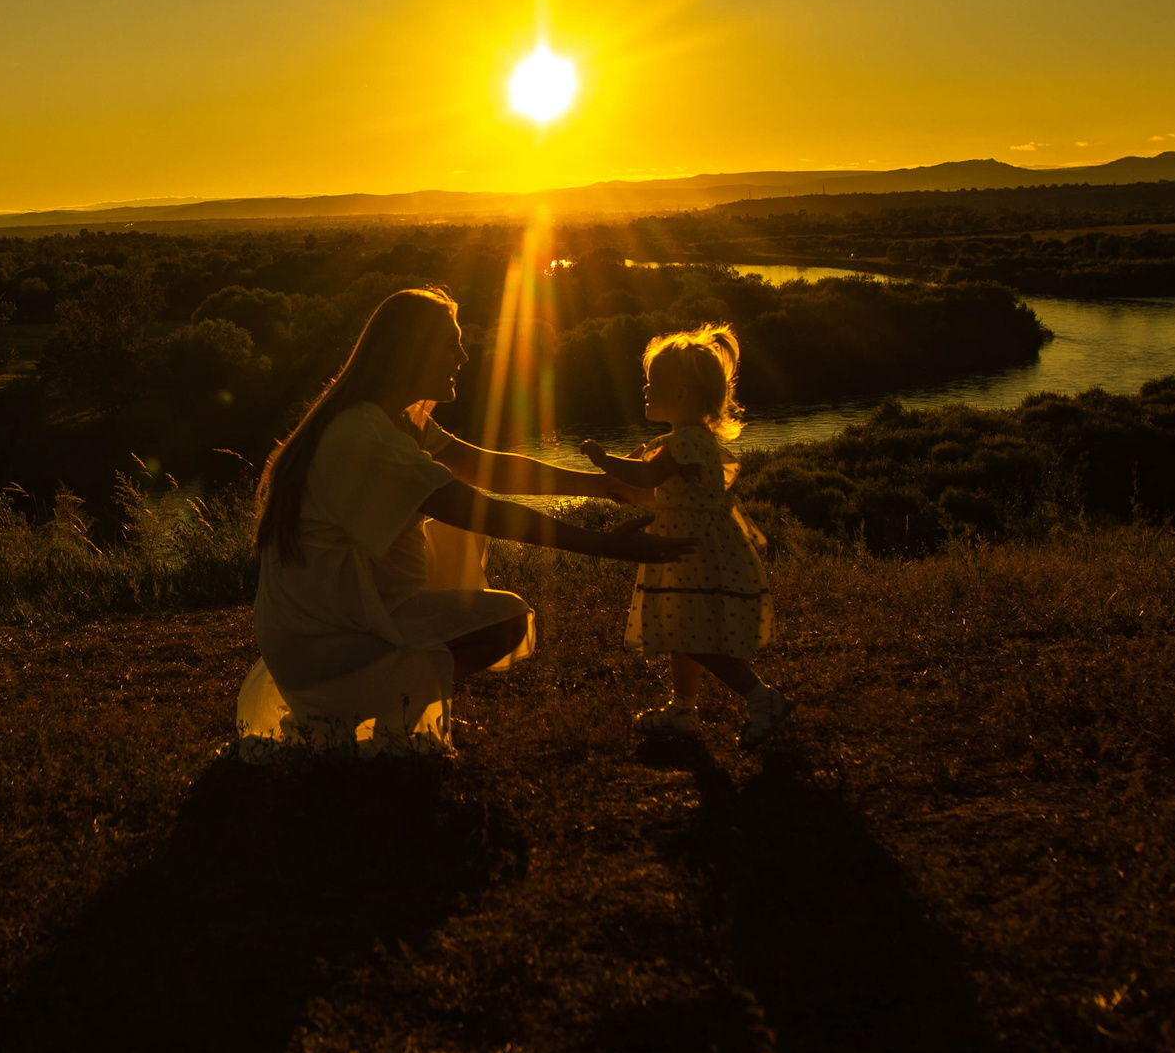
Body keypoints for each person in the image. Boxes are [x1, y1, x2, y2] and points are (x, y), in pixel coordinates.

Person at [238, 286, 692, 755]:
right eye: (450, 343)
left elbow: (488, 467)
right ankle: (388, 706)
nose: (462, 354)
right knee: (505, 617)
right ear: (411, 352)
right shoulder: (364, 433)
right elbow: (483, 510)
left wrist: (606, 484)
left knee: (456, 532)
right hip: (324, 639)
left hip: (338, 617)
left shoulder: (397, 418)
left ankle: (398, 698)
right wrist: (604, 545)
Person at [579, 325, 787, 746]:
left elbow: (648, 474)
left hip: (696, 553)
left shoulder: (686, 442)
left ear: (681, 396)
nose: (644, 388)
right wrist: (640, 500)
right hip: (689, 547)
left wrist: (604, 459)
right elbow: (672, 496)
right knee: (681, 631)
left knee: (698, 639)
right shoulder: (687, 441)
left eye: (652, 383)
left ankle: (762, 697)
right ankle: (683, 710)